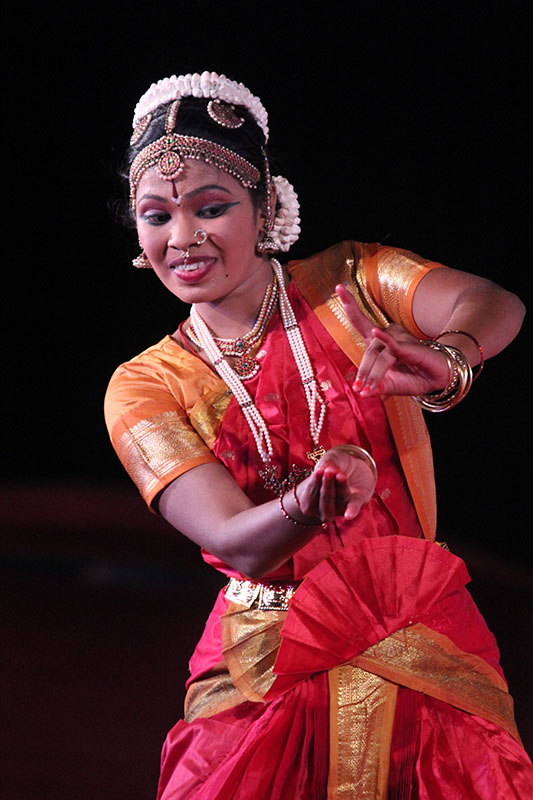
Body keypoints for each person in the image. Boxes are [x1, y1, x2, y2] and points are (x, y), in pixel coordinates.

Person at [104, 71, 532, 799]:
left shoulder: (350, 284)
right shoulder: (145, 386)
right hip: (263, 656)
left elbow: (488, 300)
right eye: (155, 216)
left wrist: (452, 355)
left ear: (265, 206)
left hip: (417, 626)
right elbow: (234, 539)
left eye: (212, 208)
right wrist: (314, 500)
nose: (183, 238)